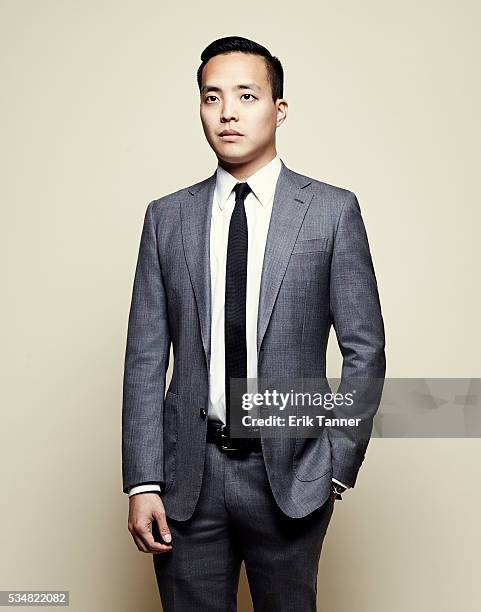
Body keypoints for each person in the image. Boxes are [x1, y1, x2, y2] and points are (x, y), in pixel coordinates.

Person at [122, 35, 386, 611]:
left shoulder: (331, 212)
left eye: (246, 95)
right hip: (187, 479)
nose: (228, 112)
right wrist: (144, 480)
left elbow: (365, 350)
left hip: (291, 478)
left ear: (278, 109)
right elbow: (144, 358)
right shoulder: (167, 218)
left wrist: (336, 466)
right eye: (212, 98)